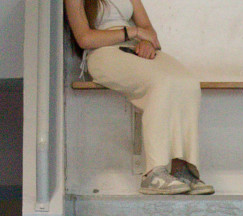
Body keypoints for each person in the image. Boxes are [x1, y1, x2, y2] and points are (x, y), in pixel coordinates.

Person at [65, 0, 212, 195]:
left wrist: (146, 42)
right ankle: (154, 173)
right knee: (161, 83)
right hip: (103, 53)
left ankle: (181, 168)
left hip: (133, 49)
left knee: (188, 82)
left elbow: (149, 31)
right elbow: (84, 38)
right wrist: (132, 32)